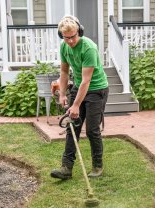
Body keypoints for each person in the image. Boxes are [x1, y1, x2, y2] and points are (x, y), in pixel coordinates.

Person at [50, 15, 108, 180]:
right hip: (78, 87)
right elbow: (63, 71)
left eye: (73, 36)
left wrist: (75, 105)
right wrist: (62, 94)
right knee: (72, 127)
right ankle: (66, 168)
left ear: (79, 32)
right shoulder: (64, 46)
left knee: (91, 130)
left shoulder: (88, 48)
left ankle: (97, 166)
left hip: (96, 89)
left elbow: (86, 81)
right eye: (66, 38)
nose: (70, 41)